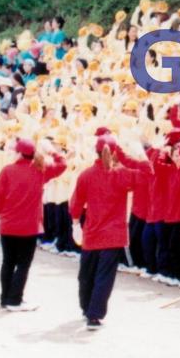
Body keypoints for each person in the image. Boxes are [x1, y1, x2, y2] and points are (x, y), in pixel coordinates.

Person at [69, 135, 150, 330]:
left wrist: (75, 223)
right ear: (115, 153)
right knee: (104, 276)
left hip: (92, 232)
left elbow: (76, 203)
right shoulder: (121, 174)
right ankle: (94, 315)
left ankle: (85, 307)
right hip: (113, 234)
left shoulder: (86, 175)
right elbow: (147, 175)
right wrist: (136, 156)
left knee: (86, 273)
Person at [0, 137, 66, 311]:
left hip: (8, 224)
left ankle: (5, 297)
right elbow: (62, 164)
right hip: (29, 226)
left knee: (8, 262)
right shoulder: (40, 170)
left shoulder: (7, 170)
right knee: (23, 264)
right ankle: (15, 299)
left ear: (19, 153)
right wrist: (52, 151)